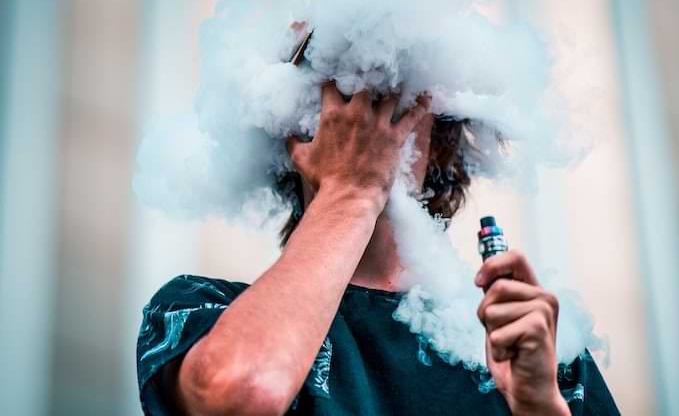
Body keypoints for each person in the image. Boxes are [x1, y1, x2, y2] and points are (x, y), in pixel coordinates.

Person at [136, 81, 620, 415]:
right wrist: (352, 188)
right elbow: (239, 393)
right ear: (294, 133)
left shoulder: (533, 344)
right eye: (336, 89)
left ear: (441, 127)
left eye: (396, 90)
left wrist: (538, 407)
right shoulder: (201, 309)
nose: (364, 108)